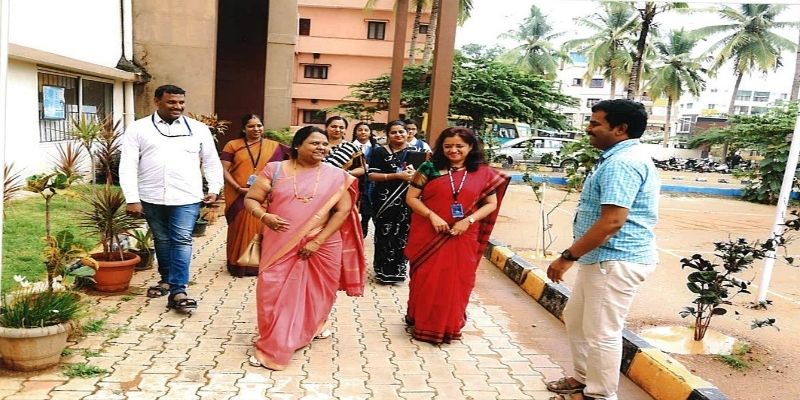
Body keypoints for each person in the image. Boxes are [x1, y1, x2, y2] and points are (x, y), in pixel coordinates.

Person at [545, 99, 659, 400]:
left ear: (620, 129)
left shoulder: (623, 163)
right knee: (577, 319)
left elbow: (612, 222)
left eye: (595, 123)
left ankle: (600, 395)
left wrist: (567, 257)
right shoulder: (616, 157)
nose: (588, 128)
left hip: (615, 260)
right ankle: (583, 379)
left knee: (602, 331)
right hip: (600, 258)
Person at [243, 126, 366, 371]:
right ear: (298, 145)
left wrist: (317, 241)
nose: (322, 147)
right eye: (315, 143)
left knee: (318, 291)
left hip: (323, 243)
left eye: (324, 144)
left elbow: (342, 210)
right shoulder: (275, 170)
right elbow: (251, 199)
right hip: (280, 241)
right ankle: (275, 343)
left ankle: (311, 325)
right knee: (272, 290)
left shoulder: (336, 175)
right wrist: (264, 216)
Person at [120, 84, 224, 313]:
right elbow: (127, 164)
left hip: (187, 195)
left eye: (181, 102)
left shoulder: (198, 129)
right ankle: (166, 279)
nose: (177, 106)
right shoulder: (138, 128)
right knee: (162, 239)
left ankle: (178, 290)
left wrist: (214, 187)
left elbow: (211, 161)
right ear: (157, 101)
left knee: (182, 239)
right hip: (151, 195)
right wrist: (132, 198)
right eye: (171, 102)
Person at [404, 127, 509, 344]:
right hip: (430, 234)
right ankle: (422, 322)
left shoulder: (481, 172)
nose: (453, 150)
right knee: (426, 279)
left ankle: (449, 325)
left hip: (464, 236)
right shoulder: (430, 167)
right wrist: (432, 216)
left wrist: (468, 220)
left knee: (457, 282)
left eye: (459, 146)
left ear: (470, 147)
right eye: (448, 146)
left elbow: (491, 204)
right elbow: (411, 198)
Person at [220, 113, 289, 277]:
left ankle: (258, 264)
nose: (256, 129)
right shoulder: (233, 145)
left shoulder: (274, 146)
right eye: (251, 126)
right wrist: (238, 188)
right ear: (244, 129)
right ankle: (237, 263)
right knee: (238, 226)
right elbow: (223, 169)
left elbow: (294, 159)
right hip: (238, 194)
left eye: (259, 125)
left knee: (260, 227)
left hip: (263, 194)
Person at [367, 120, 416, 284]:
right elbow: (371, 175)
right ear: (388, 135)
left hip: (408, 201)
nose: (398, 135)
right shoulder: (379, 152)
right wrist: (396, 176)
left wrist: (415, 175)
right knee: (384, 235)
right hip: (384, 200)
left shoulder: (416, 152)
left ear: (407, 133)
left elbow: (424, 177)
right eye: (393, 132)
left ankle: (398, 272)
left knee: (403, 235)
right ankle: (382, 271)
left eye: (401, 131)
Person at [352, 121, 378, 236]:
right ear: (355, 132)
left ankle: (364, 224)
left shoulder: (376, 148)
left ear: (370, 133)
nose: (363, 132)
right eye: (360, 130)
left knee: (368, 204)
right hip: (354, 180)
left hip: (371, 182)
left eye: (366, 130)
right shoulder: (350, 147)